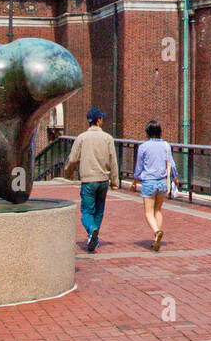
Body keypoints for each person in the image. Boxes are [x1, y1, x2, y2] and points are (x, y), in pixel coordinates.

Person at [63, 107, 120, 253]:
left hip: (88, 180)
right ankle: (93, 236)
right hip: (103, 180)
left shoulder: (81, 138)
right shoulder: (108, 138)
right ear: (99, 120)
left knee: (87, 212)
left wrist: (67, 173)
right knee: (99, 211)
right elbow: (113, 161)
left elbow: (73, 158)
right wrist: (114, 182)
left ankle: (91, 230)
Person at [131, 120, 178, 251]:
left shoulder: (143, 147)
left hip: (149, 182)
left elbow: (139, 168)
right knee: (158, 210)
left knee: (148, 212)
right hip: (162, 182)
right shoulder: (166, 145)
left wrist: (134, 182)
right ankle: (156, 237)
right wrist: (175, 178)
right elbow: (172, 163)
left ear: (147, 132)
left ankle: (157, 231)